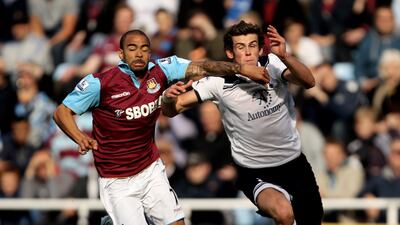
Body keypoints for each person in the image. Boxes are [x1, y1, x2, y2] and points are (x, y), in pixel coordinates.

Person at [53, 29, 268, 225]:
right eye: (132, 48)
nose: (139, 54)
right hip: (116, 180)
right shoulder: (100, 83)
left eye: (144, 49)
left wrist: (242, 69)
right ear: (120, 54)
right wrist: (79, 137)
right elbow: (61, 112)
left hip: (150, 169)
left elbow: (203, 66)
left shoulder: (162, 70)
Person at [162, 21, 323, 225]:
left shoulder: (273, 64)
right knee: (284, 213)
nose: (247, 52)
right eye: (240, 47)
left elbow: (309, 82)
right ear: (230, 53)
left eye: (252, 45)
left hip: (294, 164)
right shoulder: (218, 82)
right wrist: (168, 98)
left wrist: (285, 56)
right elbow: (172, 110)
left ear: (260, 48)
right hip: (254, 170)